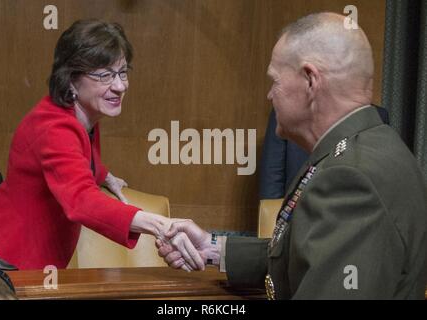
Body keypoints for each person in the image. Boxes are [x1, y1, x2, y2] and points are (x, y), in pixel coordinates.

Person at [158, 12, 427, 299]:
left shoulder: (350, 179)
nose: (269, 96)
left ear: (310, 80)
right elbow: (311, 256)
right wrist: (214, 249)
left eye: (274, 81)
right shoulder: (366, 148)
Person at [0, 19, 202, 271]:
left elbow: (76, 159)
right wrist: (162, 225)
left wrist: (105, 175)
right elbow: (81, 199)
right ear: (71, 80)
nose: (119, 86)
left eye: (122, 72)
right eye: (104, 75)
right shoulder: (54, 126)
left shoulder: (85, 114)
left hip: (24, 262)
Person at [259, 106, 389, 199]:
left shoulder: (376, 116)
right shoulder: (288, 111)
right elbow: (272, 176)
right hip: (298, 216)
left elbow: (380, 178)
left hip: (356, 217)